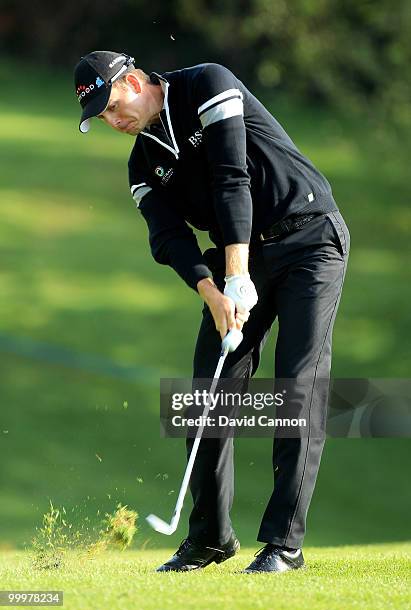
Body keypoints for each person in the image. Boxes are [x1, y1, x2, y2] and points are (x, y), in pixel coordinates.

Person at [74, 50, 350, 573]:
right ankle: (208, 539)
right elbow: (170, 238)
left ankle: (284, 546)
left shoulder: (208, 84)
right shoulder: (142, 164)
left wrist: (239, 273)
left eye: (112, 108)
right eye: (103, 119)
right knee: (205, 396)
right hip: (237, 262)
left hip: (310, 235)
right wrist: (215, 292)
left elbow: (232, 177)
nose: (114, 123)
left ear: (133, 81)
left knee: (297, 385)